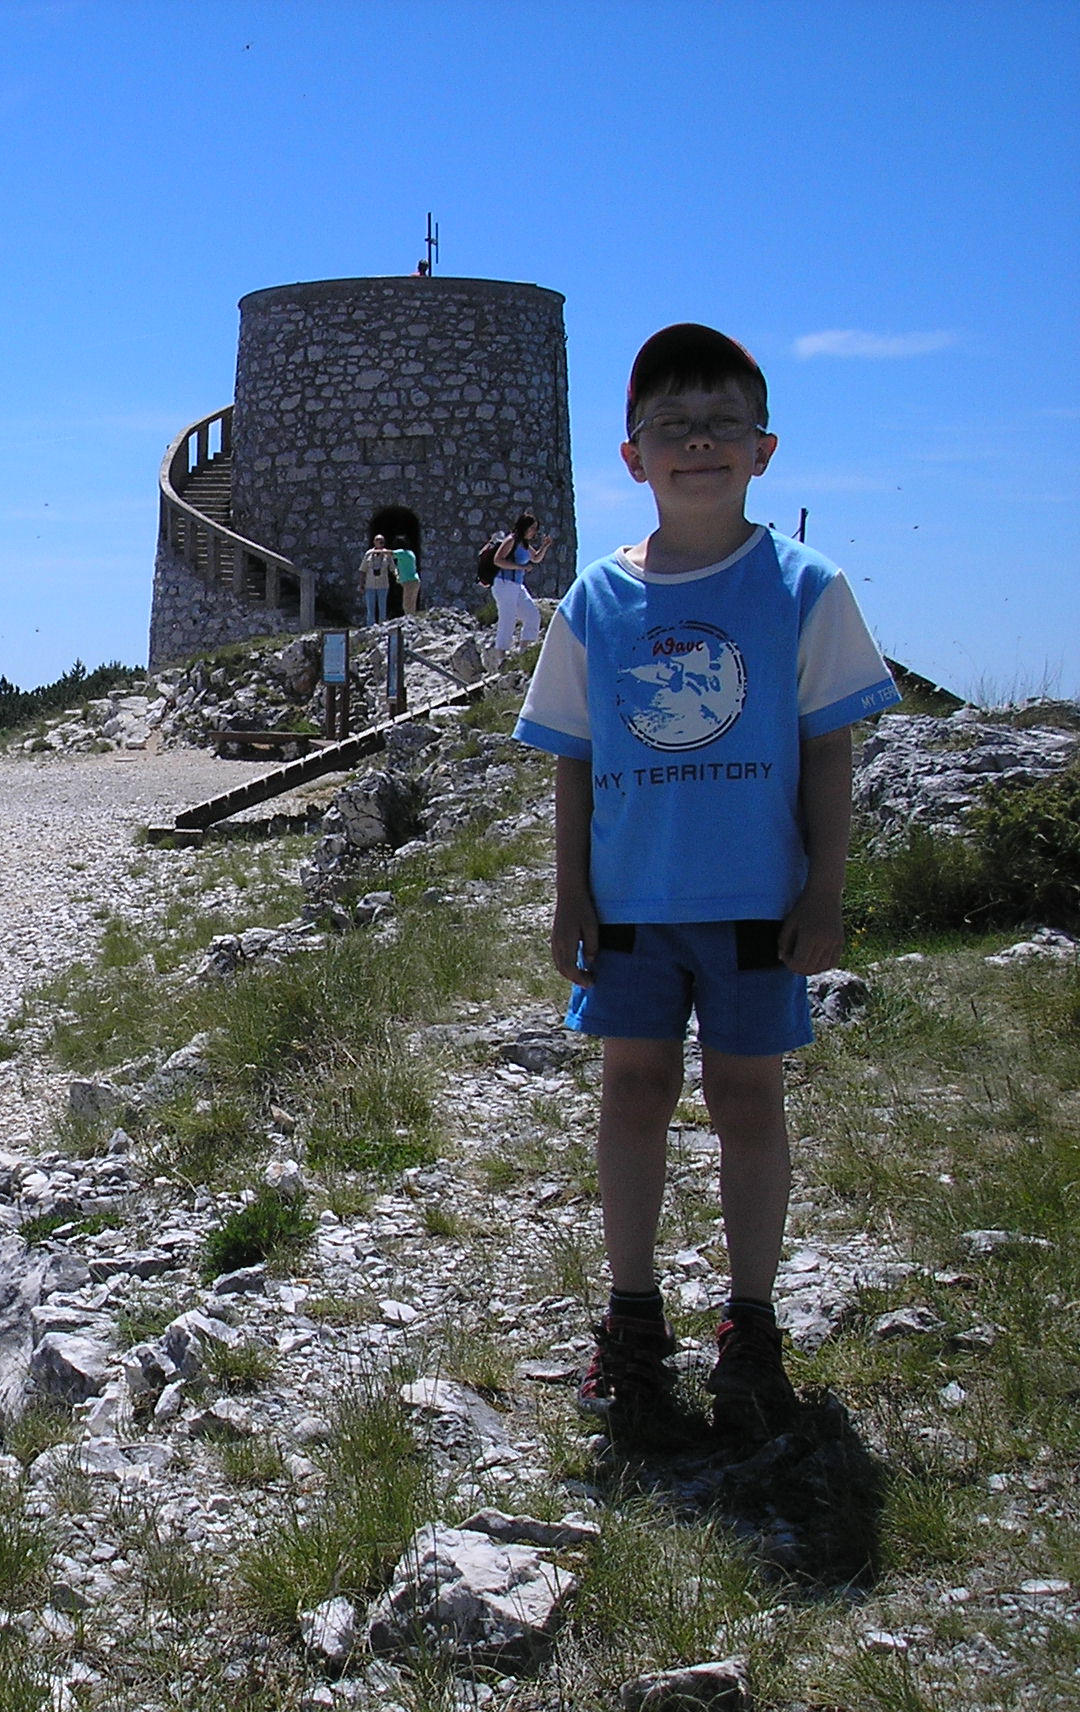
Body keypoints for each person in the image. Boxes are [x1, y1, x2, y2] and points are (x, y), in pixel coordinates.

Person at [511, 323, 901, 1444]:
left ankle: (751, 1322)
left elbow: (829, 746)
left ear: (762, 447)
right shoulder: (594, 598)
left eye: (720, 423)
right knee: (629, 1094)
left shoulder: (801, 588)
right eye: (669, 426)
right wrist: (567, 892)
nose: (696, 442)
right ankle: (632, 1318)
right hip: (630, 901)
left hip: (752, 902)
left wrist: (824, 888)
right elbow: (574, 756)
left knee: (745, 1102)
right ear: (630, 456)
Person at [489, 512, 552, 658]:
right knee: (507, 618)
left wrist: (544, 546)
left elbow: (535, 558)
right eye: (533, 528)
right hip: (504, 584)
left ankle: (524, 650)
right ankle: (501, 655)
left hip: (516, 585)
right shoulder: (511, 540)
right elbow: (498, 560)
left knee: (532, 615)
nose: (534, 532)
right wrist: (520, 567)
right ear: (525, 527)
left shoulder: (524, 544)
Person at [358, 533, 394, 627]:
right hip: (370, 585)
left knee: (382, 608)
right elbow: (362, 570)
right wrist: (361, 584)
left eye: (382, 541)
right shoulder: (368, 554)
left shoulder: (387, 554)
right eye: (378, 541)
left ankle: (382, 626)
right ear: (374, 542)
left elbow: (393, 568)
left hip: (383, 585)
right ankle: (370, 627)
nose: (380, 543)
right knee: (370, 609)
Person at [393, 540, 420, 616]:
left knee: (407, 604)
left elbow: (389, 553)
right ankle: (412, 618)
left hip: (409, 581)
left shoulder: (402, 553)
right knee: (412, 603)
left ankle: (409, 620)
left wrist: (375, 551)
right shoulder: (410, 553)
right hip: (414, 580)